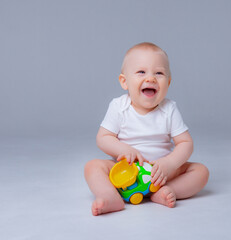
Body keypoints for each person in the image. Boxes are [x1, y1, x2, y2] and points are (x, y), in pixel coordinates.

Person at [84, 42, 209, 216]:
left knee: (201, 171)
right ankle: (110, 196)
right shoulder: (119, 107)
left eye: (159, 73)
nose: (150, 78)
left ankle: (165, 191)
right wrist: (123, 149)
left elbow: (186, 143)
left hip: (160, 173)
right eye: (141, 72)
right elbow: (103, 137)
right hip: (126, 173)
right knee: (92, 166)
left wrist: (169, 163)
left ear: (168, 82)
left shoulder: (169, 109)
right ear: (124, 81)